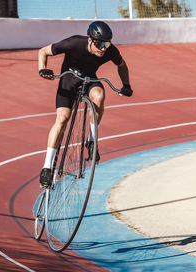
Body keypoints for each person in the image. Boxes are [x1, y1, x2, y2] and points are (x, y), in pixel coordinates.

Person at [38, 20, 133, 187]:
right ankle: (47, 167)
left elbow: (122, 64)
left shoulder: (109, 50)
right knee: (62, 119)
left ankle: (91, 140)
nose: (103, 48)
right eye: (99, 43)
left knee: (99, 95)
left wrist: (126, 85)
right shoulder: (73, 43)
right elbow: (43, 51)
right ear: (90, 40)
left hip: (90, 78)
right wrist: (42, 69)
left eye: (107, 43)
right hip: (69, 78)